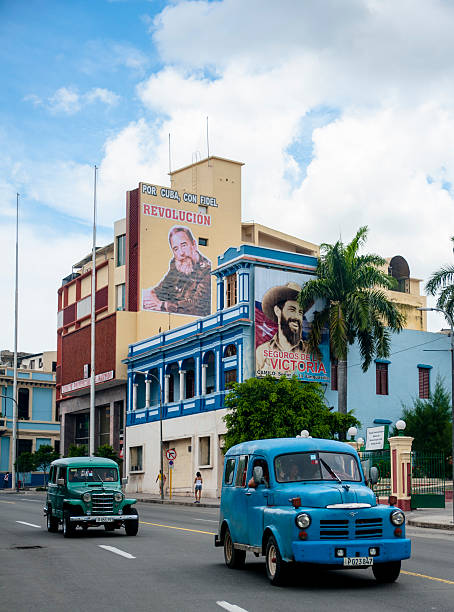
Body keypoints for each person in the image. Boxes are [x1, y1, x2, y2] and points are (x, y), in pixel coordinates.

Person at [142, 226, 211, 316]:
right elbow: (162, 289)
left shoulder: (207, 270)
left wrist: (163, 305)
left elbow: (197, 304)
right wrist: (150, 297)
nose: (181, 253)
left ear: (194, 245)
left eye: (184, 245)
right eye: (176, 249)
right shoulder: (176, 265)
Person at [256, 282, 311, 372]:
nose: (297, 317)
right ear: (277, 311)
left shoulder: (310, 352)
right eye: (292, 310)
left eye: (300, 312)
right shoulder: (262, 351)